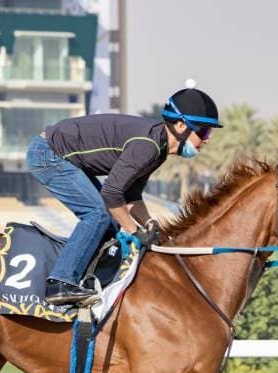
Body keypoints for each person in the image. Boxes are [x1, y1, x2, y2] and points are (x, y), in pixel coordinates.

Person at [27, 83, 222, 305]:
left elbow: (130, 196)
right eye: (204, 131)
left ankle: (88, 279)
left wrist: (150, 225)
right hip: (48, 154)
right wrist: (134, 231)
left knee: (109, 219)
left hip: (63, 156)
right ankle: (60, 283)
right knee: (97, 214)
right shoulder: (148, 146)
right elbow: (111, 194)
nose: (207, 139)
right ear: (180, 125)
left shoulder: (157, 150)